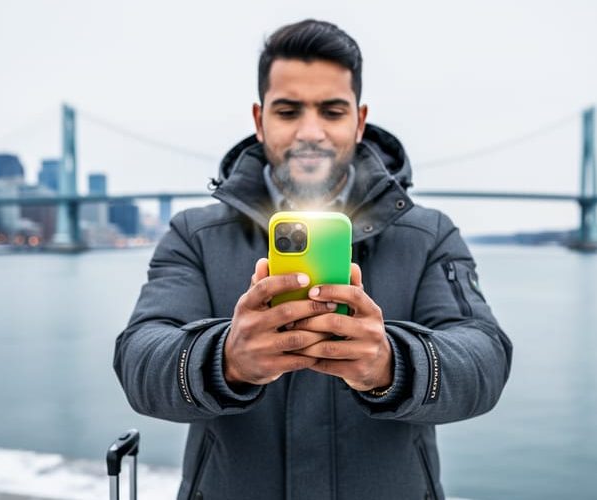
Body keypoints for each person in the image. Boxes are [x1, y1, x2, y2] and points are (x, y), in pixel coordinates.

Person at [113, 19, 513, 500]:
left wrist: (393, 363)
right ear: (260, 121)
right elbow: (138, 358)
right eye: (288, 111)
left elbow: (486, 360)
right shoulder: (195, 234)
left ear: (359, 120)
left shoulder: (428, 235)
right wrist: (224, 359)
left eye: (331, 110)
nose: (310, 131)